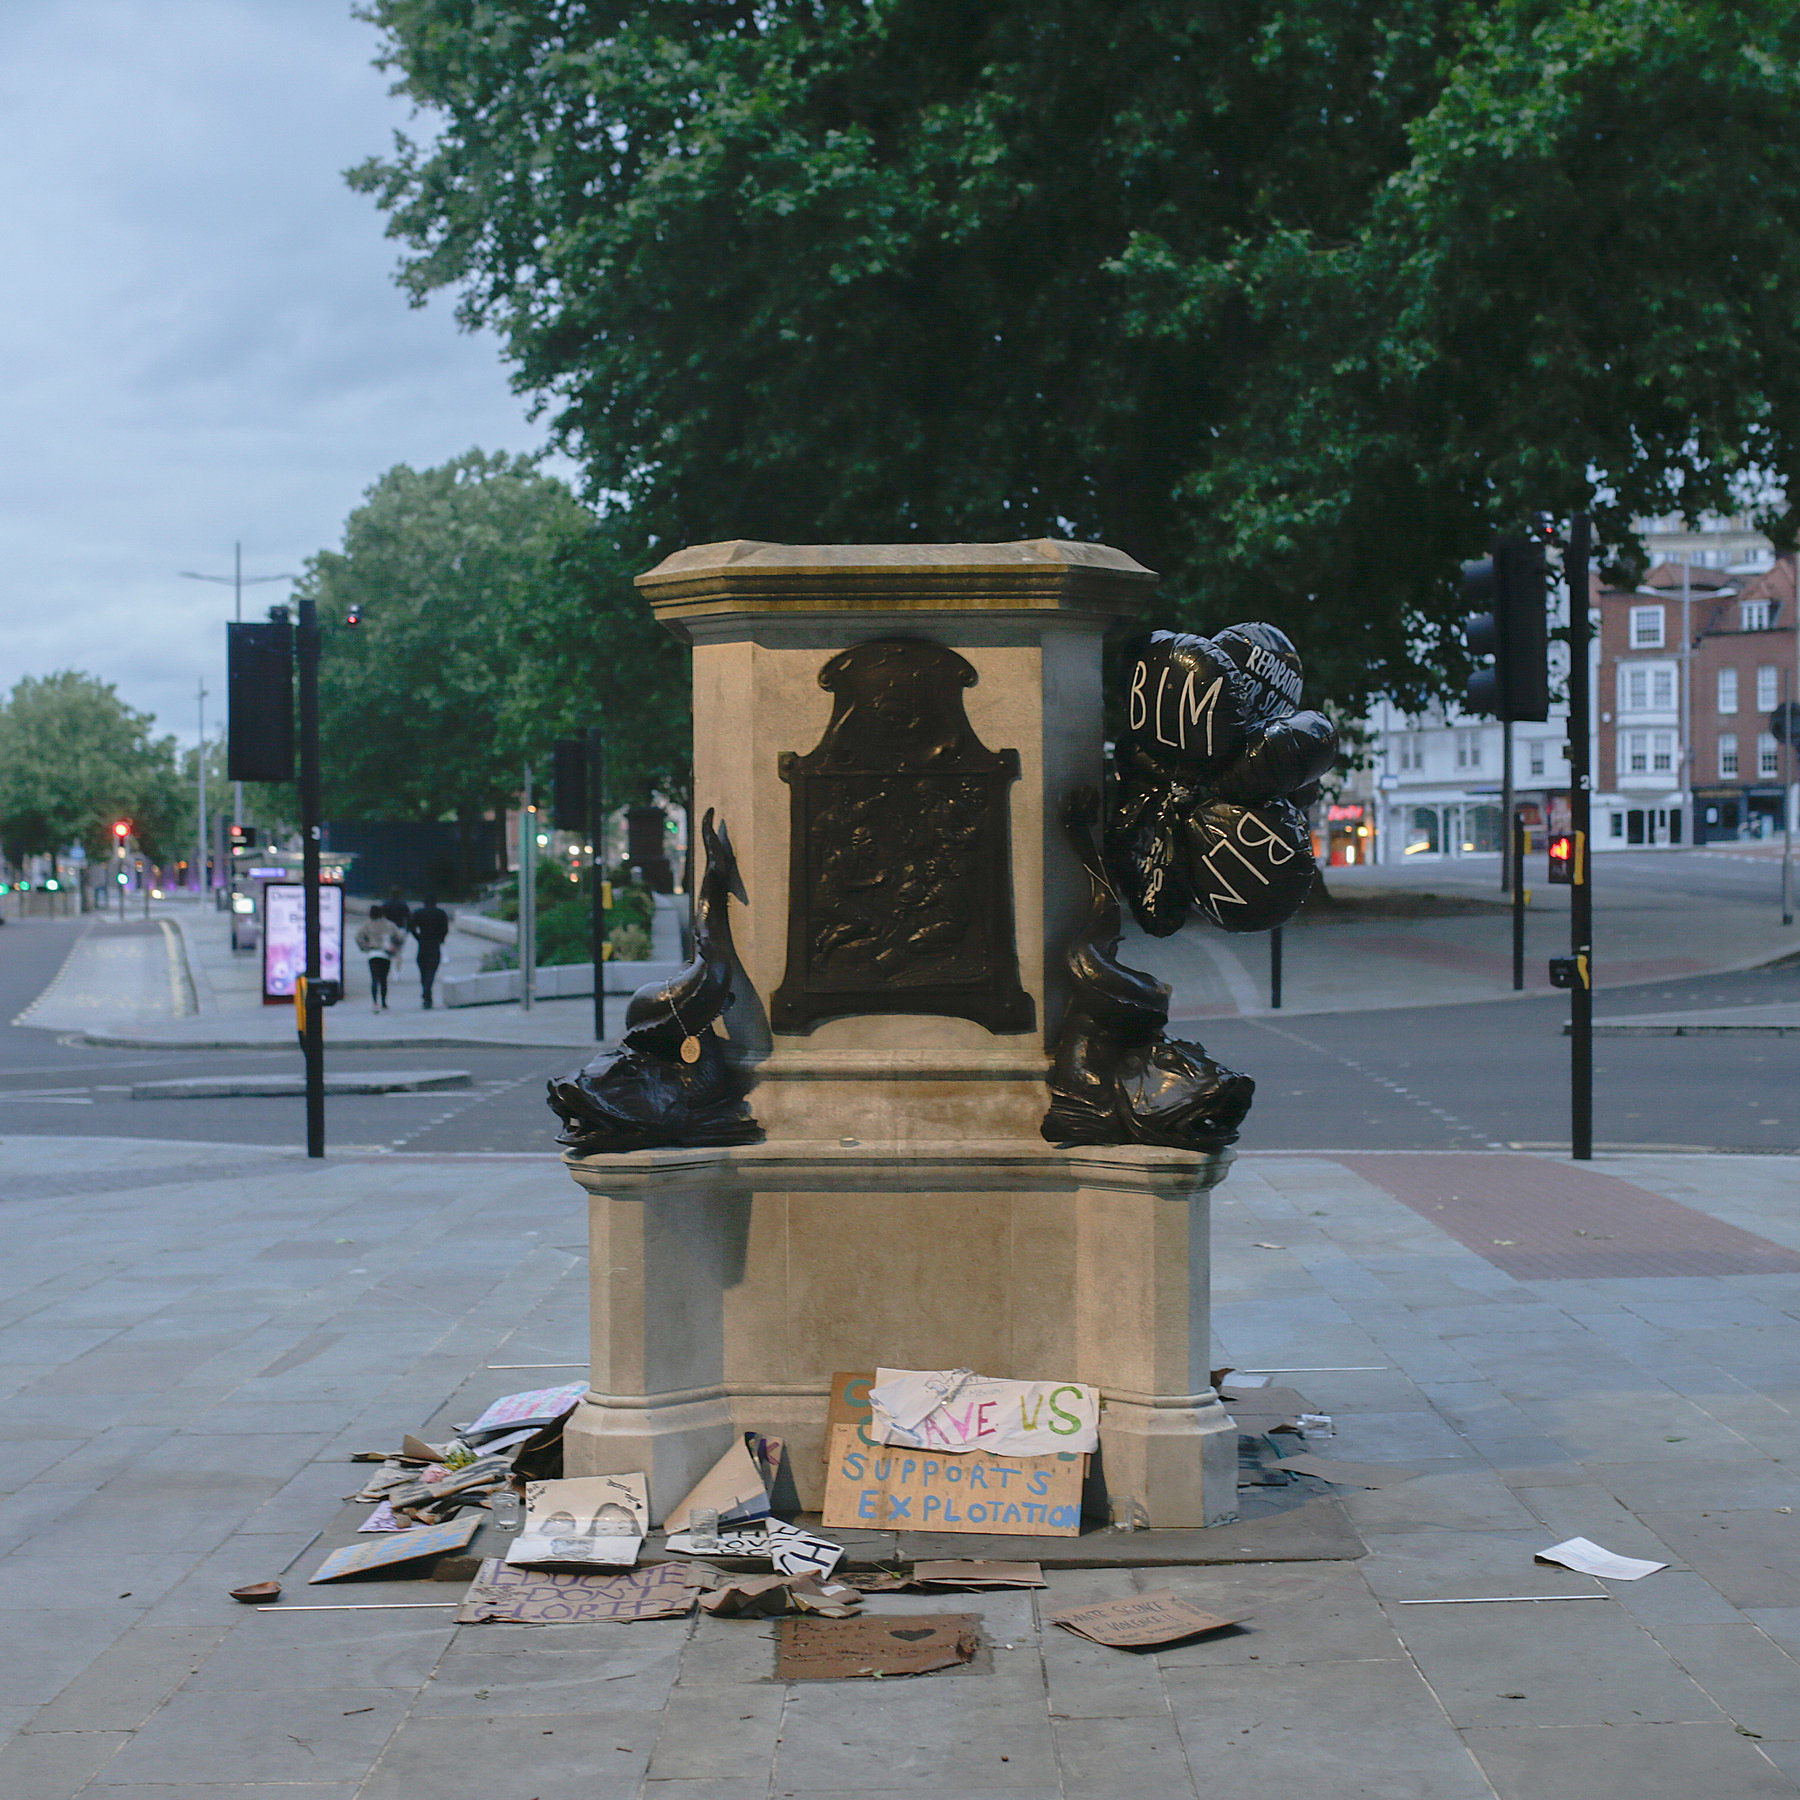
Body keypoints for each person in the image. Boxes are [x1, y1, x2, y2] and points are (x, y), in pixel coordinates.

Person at [355, 904, 404, 1012]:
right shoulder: (389, 925)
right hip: (385, 954)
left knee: (374, 979)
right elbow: (399, 938)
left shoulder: (367, 925)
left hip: (373, 954)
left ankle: (375, 1002)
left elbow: (358, 937)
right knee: (384, 979)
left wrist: (365, 947)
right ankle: (384, 1002)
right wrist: (395, 947)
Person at [409, 891, 450, 1009]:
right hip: (434, 944)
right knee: (431, 971)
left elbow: (411, 927)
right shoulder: (441, 914)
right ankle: (427, 991)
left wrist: (418, 938)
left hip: (423, 944)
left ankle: (426, 993)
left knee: (423, 971)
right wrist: (441, 939)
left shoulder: (418, 913)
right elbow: (445, 929)